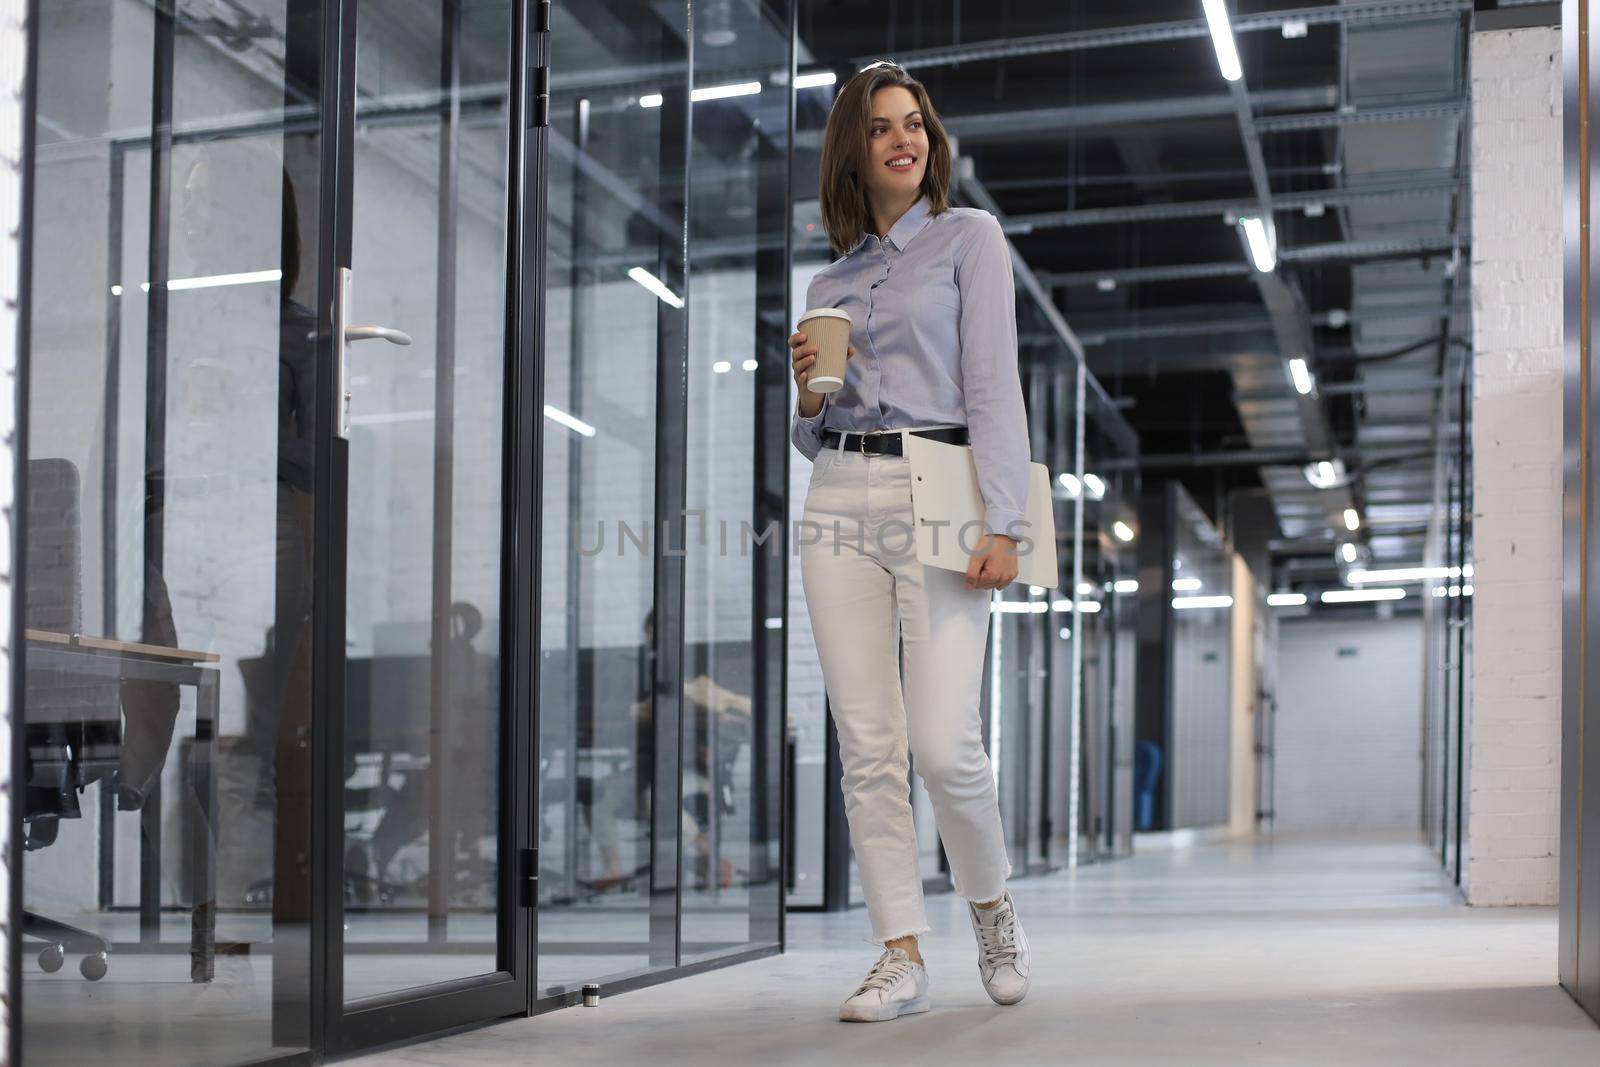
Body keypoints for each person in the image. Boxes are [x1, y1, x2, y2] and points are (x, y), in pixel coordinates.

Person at [789, 61, 1033, 1023]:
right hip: (840, 486)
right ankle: (899, 951)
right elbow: (813, 422)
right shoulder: (830, 278)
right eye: (884, 127)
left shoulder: (970, 239)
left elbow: (992, 384)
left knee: (944, 742)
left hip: (942, 484)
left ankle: (992, 906)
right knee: (869, 743)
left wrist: (1005, 520)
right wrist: (809, 389)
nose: (905, 139)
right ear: (855, 147)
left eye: (916, 124)